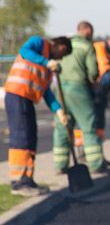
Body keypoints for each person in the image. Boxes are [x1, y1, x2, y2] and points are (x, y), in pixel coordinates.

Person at [4, 35, 72, 196]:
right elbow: (24, 50)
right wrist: (46, 62)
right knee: (21, 137)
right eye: (62, 56)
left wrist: (58, 110)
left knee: (30, 138)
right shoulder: (39, 43)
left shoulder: (48, 68)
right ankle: (19, 183)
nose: (60, 59)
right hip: (17, 95)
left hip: (26, 99)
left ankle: (28, 179)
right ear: (61, 47)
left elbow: (47, 93)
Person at [53, 21, 106, 174]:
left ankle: (60, 164)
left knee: (62, 126)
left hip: (61, 89)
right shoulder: (87, 46)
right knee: (88, 127)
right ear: (88, 32)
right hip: (79, 89)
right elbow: (93, 72)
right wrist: (93, 81)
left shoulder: (66, 44)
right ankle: (96, 163)